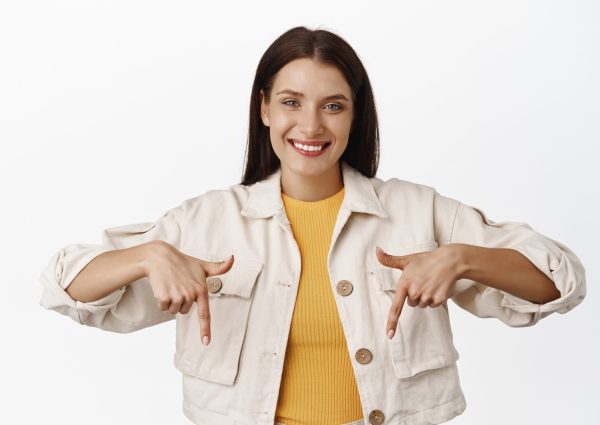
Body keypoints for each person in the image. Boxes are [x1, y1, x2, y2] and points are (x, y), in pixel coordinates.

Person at [39, 26, 586, 425]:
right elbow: (63, 289)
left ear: (355, 115)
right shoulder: (207, 220)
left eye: (333, 106)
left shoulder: (420, 212)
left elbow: (559, 284)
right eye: (291, 102)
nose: (310, 125)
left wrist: (465, 258)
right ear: (264, 111)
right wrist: (148, 256)